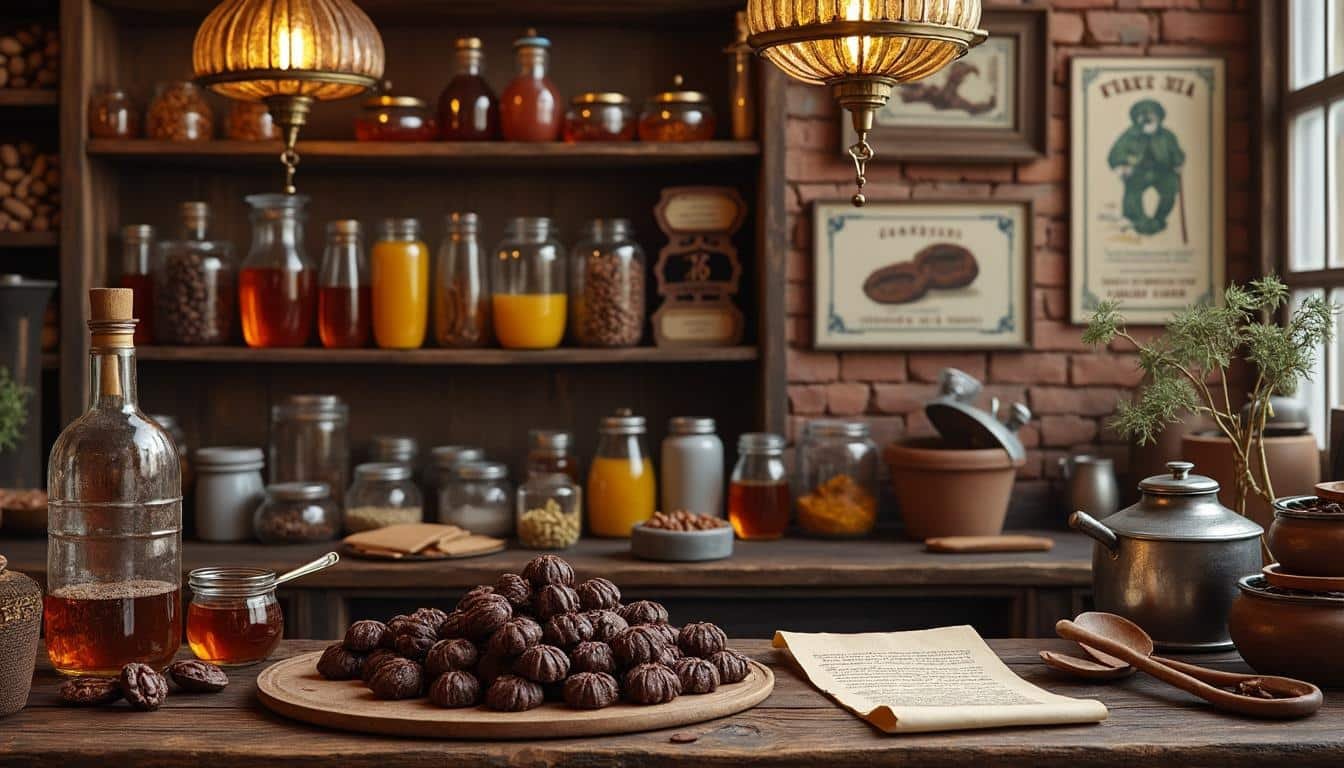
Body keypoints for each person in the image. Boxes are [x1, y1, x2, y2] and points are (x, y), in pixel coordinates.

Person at [1107, 99, 1186, 236]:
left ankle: (1159, 219)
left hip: (1163, 171)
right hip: (1138, 171)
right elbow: (1116, 152)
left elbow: (1176, 152)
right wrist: (1122, 165)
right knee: (1132, 192)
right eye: (1143, 115)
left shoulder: (1167, 135)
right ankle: (1138, 220)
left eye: (1151, 114)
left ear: (1159, 117)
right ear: (1137, 118)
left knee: (1170, 190)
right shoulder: (1130, 135)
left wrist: (1178, 162)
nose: (1148, 118)